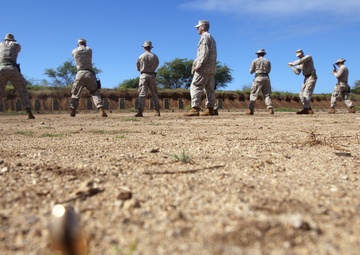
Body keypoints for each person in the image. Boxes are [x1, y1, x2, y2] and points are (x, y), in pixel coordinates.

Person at [184, 20, 217, 116]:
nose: (197, 29)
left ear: (202, 27)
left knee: (195, 86)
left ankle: (195, 108)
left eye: (198, 27)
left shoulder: (204, 37)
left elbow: (204, 52)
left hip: (204, 67)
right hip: (211, 67)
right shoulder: (212, 38)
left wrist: (199, 65)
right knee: (209, 89)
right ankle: (210, 108)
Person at [0, 33, 35, 119]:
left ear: (5, 39)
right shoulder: (17, 45)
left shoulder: (0, 44)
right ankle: (29, 113)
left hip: (1, 68)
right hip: (13, 68)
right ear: (13, 40)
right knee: (22, 90)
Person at [70, 38, 107, 117]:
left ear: (78, 43)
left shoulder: (74, 51)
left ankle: (73, 110)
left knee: (75, 93)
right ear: (85, 43)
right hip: (90, 73)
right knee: (94, 92)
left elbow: (74, 54)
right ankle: (100, 109)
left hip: (80, 73)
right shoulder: (89, 50)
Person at [135, 41, 160, 117]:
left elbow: (138, 67)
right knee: (154, 93)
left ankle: (140, 111)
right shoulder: (155, 56)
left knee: (142, 93)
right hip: (152, 75)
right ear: (150, 47)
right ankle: (157, 111)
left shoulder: (141, 56)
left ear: (144, 47)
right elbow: (157, 65)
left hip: (143, 75)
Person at [288, 49, 317, 114]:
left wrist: (292, 63)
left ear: (302, 53)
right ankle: (308, 108)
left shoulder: (308, 57)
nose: (299, 56)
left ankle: (305, 109)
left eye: (300, 55)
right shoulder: (299, 63)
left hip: (311, 76)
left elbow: (300, 61)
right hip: (306, 78)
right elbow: (297, 72)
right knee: (301, 94)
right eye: (298, 55)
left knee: (307, 93)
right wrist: (292, 67)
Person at [247, 49, 274, 115]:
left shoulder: (255, 60)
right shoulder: (268, 61)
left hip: (258, 78)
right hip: (266, 78)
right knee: (267, 94)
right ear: (264, 54)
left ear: (258, 54)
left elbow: (251, 71)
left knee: (254, 93)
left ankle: (251, 109)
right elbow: (269, 70)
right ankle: (270, 108)